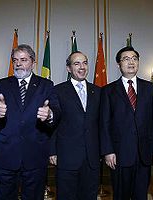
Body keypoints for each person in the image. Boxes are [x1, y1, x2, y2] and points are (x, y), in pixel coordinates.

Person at [0, 44, 59, 200]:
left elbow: (57, 111)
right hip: (7, 154)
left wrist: (49, 113)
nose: (18, 63)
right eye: (15, 60)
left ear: (33, 62)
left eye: (23, 60)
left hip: (35, 154)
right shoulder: (1, 84)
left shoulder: (46, 85)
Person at [100, 46, 153, 200]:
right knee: (121, 195)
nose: (131, 62)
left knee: (142, 195)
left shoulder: (150, 88)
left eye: (134, 58)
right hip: (119, 154)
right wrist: (108, 151)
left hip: (144, 153)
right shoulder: (108, 90)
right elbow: (104, 123)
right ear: (118, 64)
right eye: (126, 59)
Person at [49, 51, 101, 200]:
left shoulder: (98, 91)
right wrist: (52, 151)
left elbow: (102, 124)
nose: (82, 67)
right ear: (68, 68)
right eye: (77, 63)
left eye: (85, 63)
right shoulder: (57, 91)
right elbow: (53, 123)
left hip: (92, 158)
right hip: (66, 157)